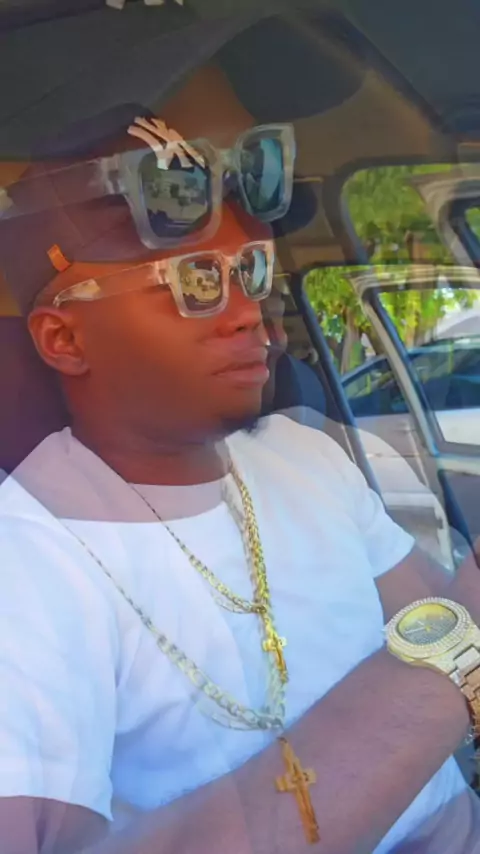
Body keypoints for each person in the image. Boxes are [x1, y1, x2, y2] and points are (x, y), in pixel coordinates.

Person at [1, 61, 480, 854]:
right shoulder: (27, 558)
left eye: (250, 271)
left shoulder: (305, 453)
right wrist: (450, 666)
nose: (248, 312)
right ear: (65, 339)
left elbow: (442, 618)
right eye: (194, 281)